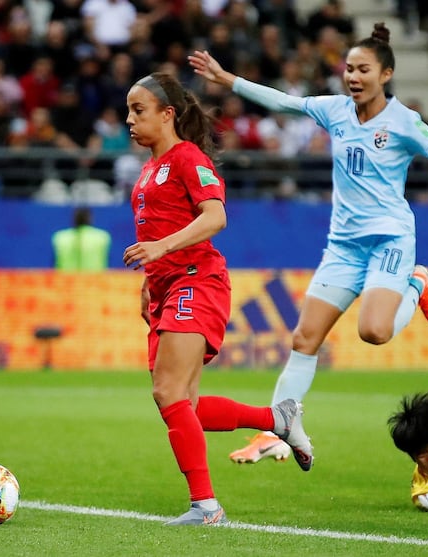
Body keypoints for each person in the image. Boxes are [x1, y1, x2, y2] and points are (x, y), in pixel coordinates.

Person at [188, 22, 428, 465]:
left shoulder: (405, 122)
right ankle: (275, 429)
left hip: (390, 239)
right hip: (344, 247)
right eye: (348, 69)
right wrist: (228, 79)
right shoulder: (335, 110)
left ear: (385, 74)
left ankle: (418, 285)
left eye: (362, 69)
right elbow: (284, 102)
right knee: (304, 337)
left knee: (373, 331)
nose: (352, 77)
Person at [121, 72, 313, 526]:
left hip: (197, 280)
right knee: (180, 403)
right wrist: (150, 281)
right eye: (129, 110)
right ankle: (278, 418)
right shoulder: (149, 168)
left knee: (168, 392)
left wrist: (162, 250)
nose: (129, 119)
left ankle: (206, 506)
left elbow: (216, 216)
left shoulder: (188, 158)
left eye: (138, 110)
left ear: (168, 115)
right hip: (168, 285)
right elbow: (158, 229)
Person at [52, 207, 111, 271]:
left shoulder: (60, 237)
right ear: (90, 218)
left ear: (74, 218)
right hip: (95, 279)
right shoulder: (103, 237)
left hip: (66, 279)